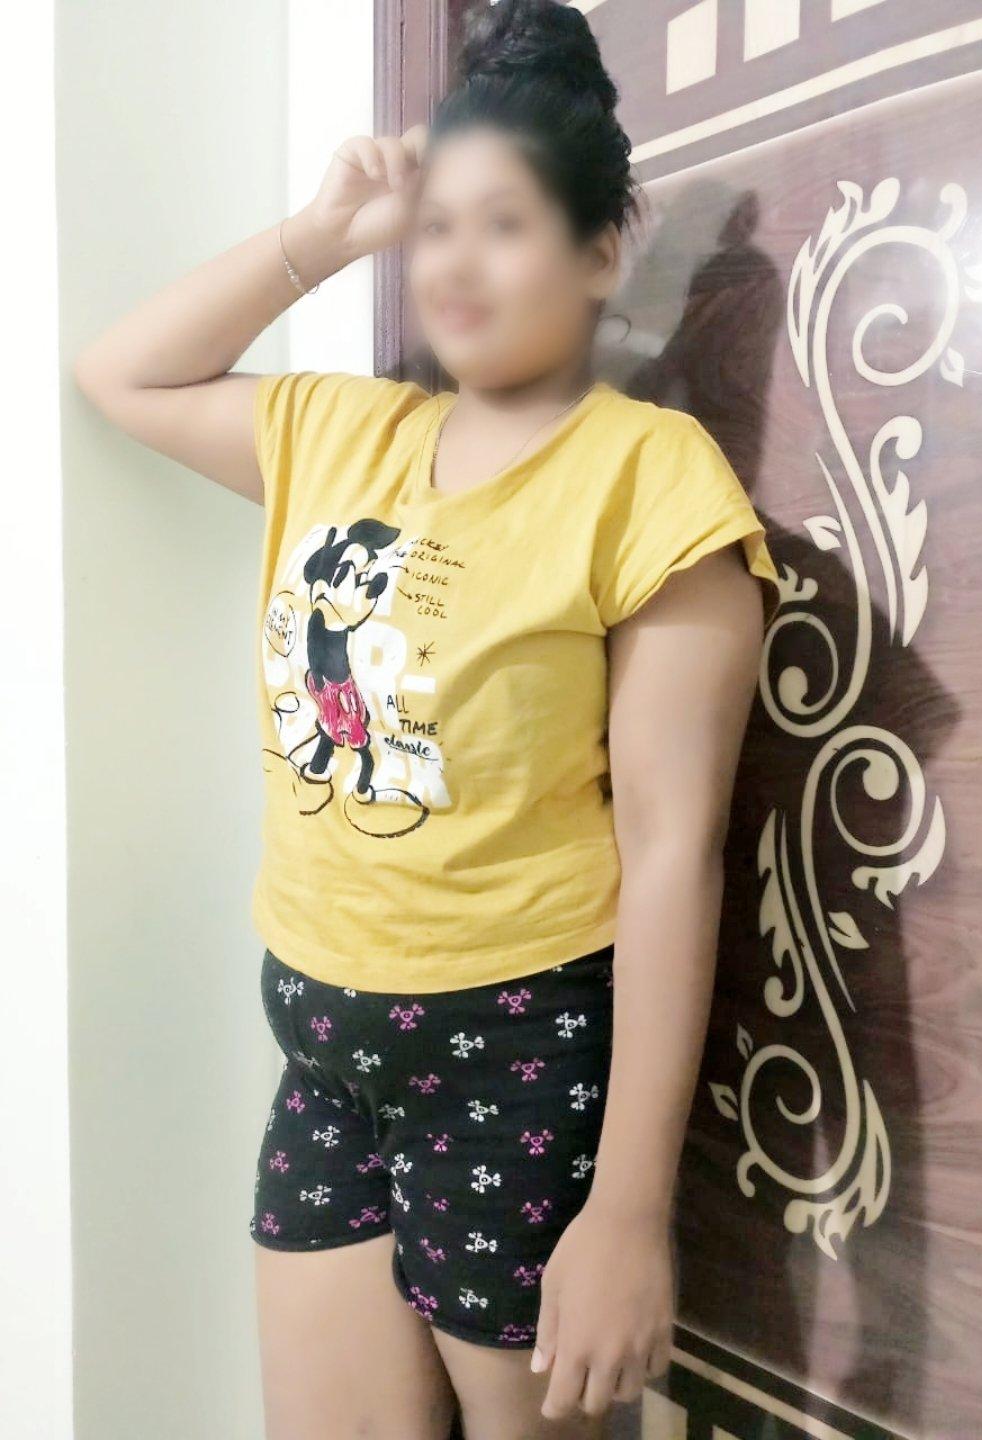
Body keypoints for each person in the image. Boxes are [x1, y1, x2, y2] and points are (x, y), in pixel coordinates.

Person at [73, 0, 782, 1434]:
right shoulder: (341, 428)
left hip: (511, 1059)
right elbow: (120, 373)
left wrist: (627, 1211)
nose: (457, 265)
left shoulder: (648, 477)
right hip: (323, 1049)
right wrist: (323, 233)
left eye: (506, 224)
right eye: (439, 225)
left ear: (602, 248)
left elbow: (670, 853)